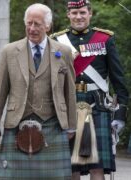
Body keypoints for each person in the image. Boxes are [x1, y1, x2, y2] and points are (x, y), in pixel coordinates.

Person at [0, 3, 77, 179]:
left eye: (37, 24)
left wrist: (71, 125)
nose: (32, 28)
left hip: (53, 124)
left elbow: (70, 92)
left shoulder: (63, 52)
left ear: (48, 26)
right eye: (29, 23)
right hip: (16, 123)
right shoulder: (10, 51)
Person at [51, 0, 129, 179]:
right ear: (68, 15)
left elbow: (118, 79)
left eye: (82, 13)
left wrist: (120, 113)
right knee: (70, 167)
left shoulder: (105, 39)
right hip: (68, 106)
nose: (78, 17)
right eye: (75, 13)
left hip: (98, 105)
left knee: (98, 167)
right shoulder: (57, 41)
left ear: (90, 14)